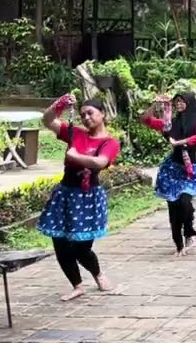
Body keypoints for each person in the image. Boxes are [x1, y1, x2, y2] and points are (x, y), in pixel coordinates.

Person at [37, 94, 118, 301]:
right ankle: (77, 285)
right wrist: (59, 104)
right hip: (65, 195)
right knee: (60, 242)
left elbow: (100, 162)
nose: (86, 117)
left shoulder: (110, 142)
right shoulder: (75, 134)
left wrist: (76, 157)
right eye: (82, 114)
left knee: (82, 247)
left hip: (88, 198)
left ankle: (98, 274)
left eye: (90, 113)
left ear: (103, 114)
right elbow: (47, 120)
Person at [141, 91, 196, 256]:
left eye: (182, 101)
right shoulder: (170, 122)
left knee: (185, 202)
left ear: (189, 102)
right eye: (176, 102)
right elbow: (146, 120)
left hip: (189, 167)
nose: (179, 104)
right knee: (173, 206)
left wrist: (181, 142)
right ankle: (178, 244)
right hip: (172, 169)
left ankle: (190, 233)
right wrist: (154, 105)